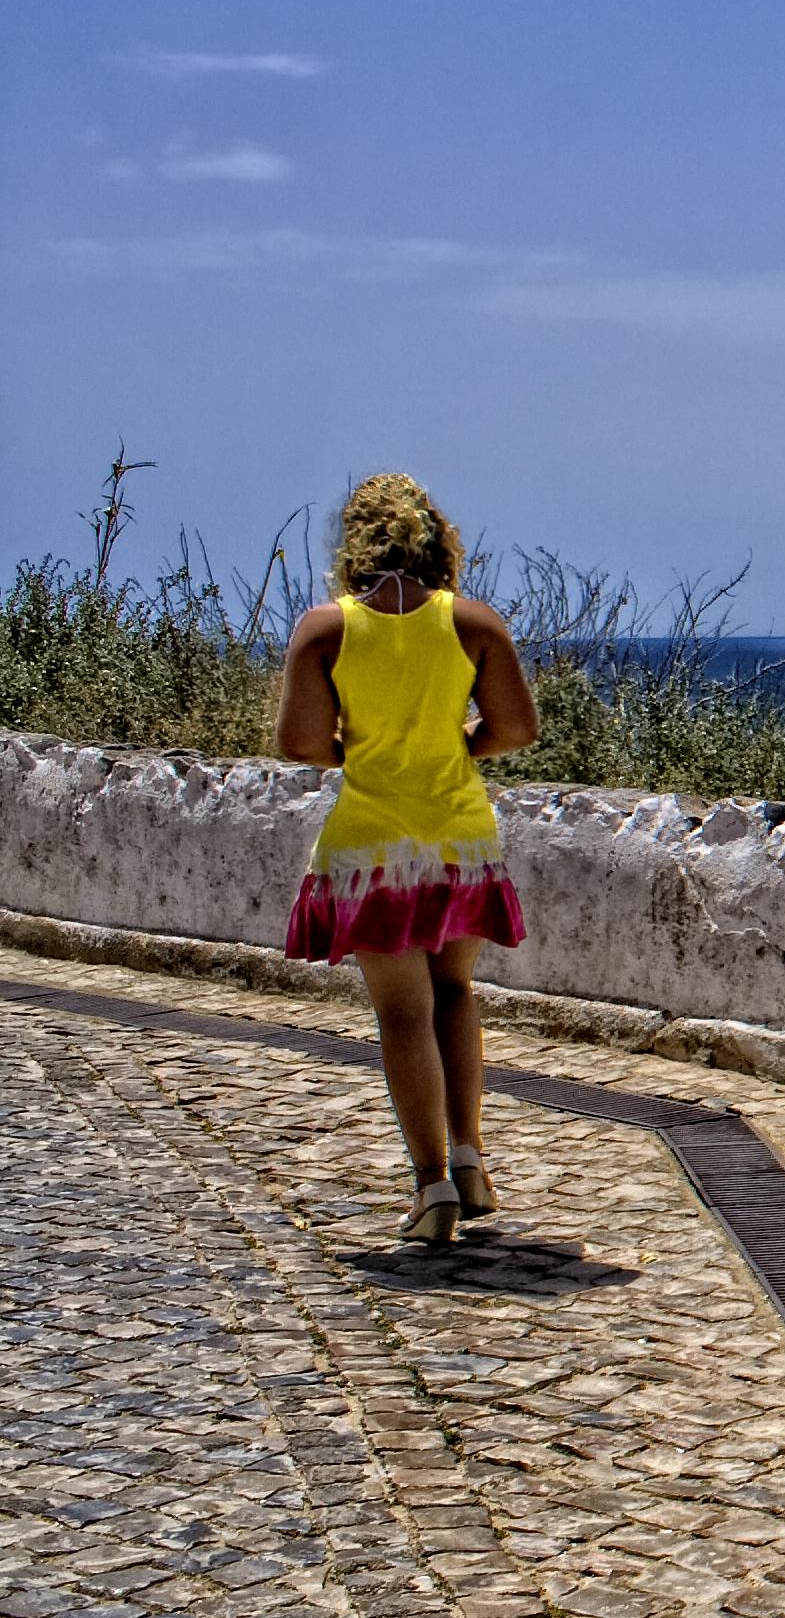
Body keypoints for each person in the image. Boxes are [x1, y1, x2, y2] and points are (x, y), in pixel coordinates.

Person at [275, 475, 540, 1244]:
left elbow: (299, 742)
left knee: (402, 1012)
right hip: (459, 837)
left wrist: (360, 749)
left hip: (370, 845)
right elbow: (516, 728)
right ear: (438, 542)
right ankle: (470, 1158)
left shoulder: (326, 631)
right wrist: (454, 744)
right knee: (454, 991)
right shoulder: (473, 624)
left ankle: (431, 1188)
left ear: (356, 545)